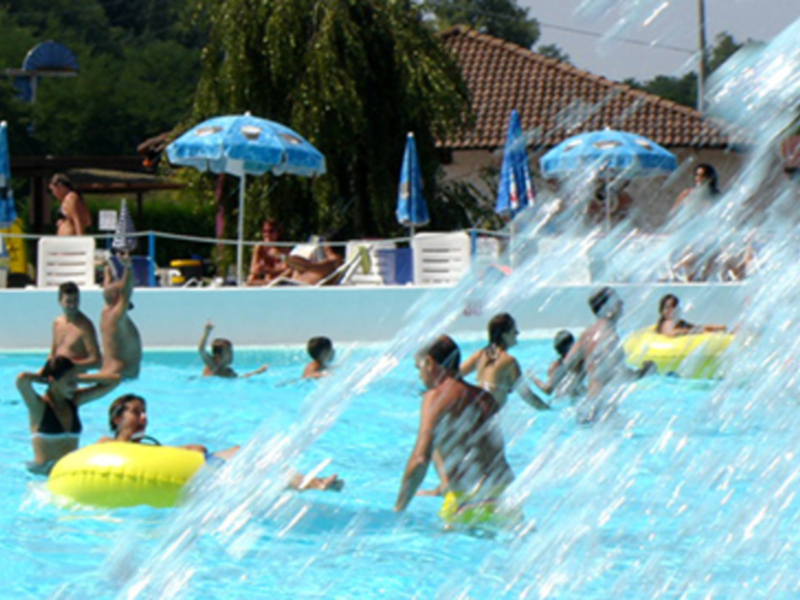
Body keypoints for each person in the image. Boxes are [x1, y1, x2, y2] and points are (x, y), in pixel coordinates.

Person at [394, 335, 519, 526]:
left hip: (466, 502)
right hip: (504, 498)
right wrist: (444, 484)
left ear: (429, 363)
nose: (420, 376)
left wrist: (398, 509)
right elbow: (483, 450)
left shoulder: (436, 397)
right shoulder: (485, 398)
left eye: (418, 368)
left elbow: (420, 459)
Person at [100, 394, 343, 491]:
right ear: (117, 418)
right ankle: (311, 484)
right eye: (136, 413)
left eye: (145, 412)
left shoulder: (147, 448)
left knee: (245, 454)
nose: (144, 418)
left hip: (204, 465)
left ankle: (310, 482)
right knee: (247, 466)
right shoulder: (106, 444)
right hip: (196, 470)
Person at [17, 355, 120, 474]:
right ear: (52, 380)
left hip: (70, 474)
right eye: (69, 382)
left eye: (75, 382)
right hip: (43, 476)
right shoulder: (38, 406)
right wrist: (44, 378)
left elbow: (114, 380)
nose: (75, 387)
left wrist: (77, 378)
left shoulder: (75, 401)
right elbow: (22, 379)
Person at [460, 313, 549, 410]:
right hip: (491, 416)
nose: (517, 333)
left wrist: (471, 391)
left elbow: (454, 374)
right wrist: (549, 409)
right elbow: (527, 396)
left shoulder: (480, 354)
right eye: (514, 330)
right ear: (504, 335)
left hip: (474, 410)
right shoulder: (509, 362)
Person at [562, 287, 627, 420]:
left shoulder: (587, 334)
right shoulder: (611, 337)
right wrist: (645, 371)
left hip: (587, 403)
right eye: (617, 301)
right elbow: (622, 374)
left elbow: (568, 363)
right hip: (603, 406)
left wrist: (584, 379)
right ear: (608, 308)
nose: (622, 303)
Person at [100, 251, 142, 380]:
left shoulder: (111, 314)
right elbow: (121, 291)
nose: (111, 284)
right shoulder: (112, 314)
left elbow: (124, 291)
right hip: (120, 376)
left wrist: (125, 268)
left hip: (118, 375)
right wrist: (124, 268)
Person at [50, 281, 101, 372]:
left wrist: (70, 365)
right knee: (24, 377)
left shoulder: (85, 327)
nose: (72, 305)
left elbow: (96, 361)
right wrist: (46, 369)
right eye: (68, 301)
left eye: (76, 300)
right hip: (56, 373)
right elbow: (53, 353)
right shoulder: (57, 323)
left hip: (73, 374)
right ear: (60, 301)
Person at [197, 320, 269, 378]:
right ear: (217, 357)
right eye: (228, 353)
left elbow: (241, 378)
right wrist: (207, 332)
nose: (231, 355)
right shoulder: (212, 365)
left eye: (231, 352)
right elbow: (201, 350)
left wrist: (257, 372)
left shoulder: (228, 371)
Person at [532, 330, 586, 398]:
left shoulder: (555, 367)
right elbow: (548, 390)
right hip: (576, 395)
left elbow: (547, 390)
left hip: (563, 397)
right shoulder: (581, 361)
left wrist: (533, 377)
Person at [655, 294, 727, 337]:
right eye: (667, 307)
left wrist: (719, 327)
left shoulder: (679, 322)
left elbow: (698, 327)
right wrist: (692, 331)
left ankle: (724, 330)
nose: (671, 310)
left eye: (674, 307)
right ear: (662, 310)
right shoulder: (667, 322)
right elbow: (670, 333)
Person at [247, 219, 289, 286]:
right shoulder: (260, 247)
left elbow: (287, 269)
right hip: (267, 281)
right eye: (264, 231)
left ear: (277, 233)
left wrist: (268, 270)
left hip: (280, 281)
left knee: (288, 272)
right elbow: (253, 269)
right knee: (251, 278)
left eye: (271, 231)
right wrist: (259, 268)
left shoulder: (284, 248)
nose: (267, 234)